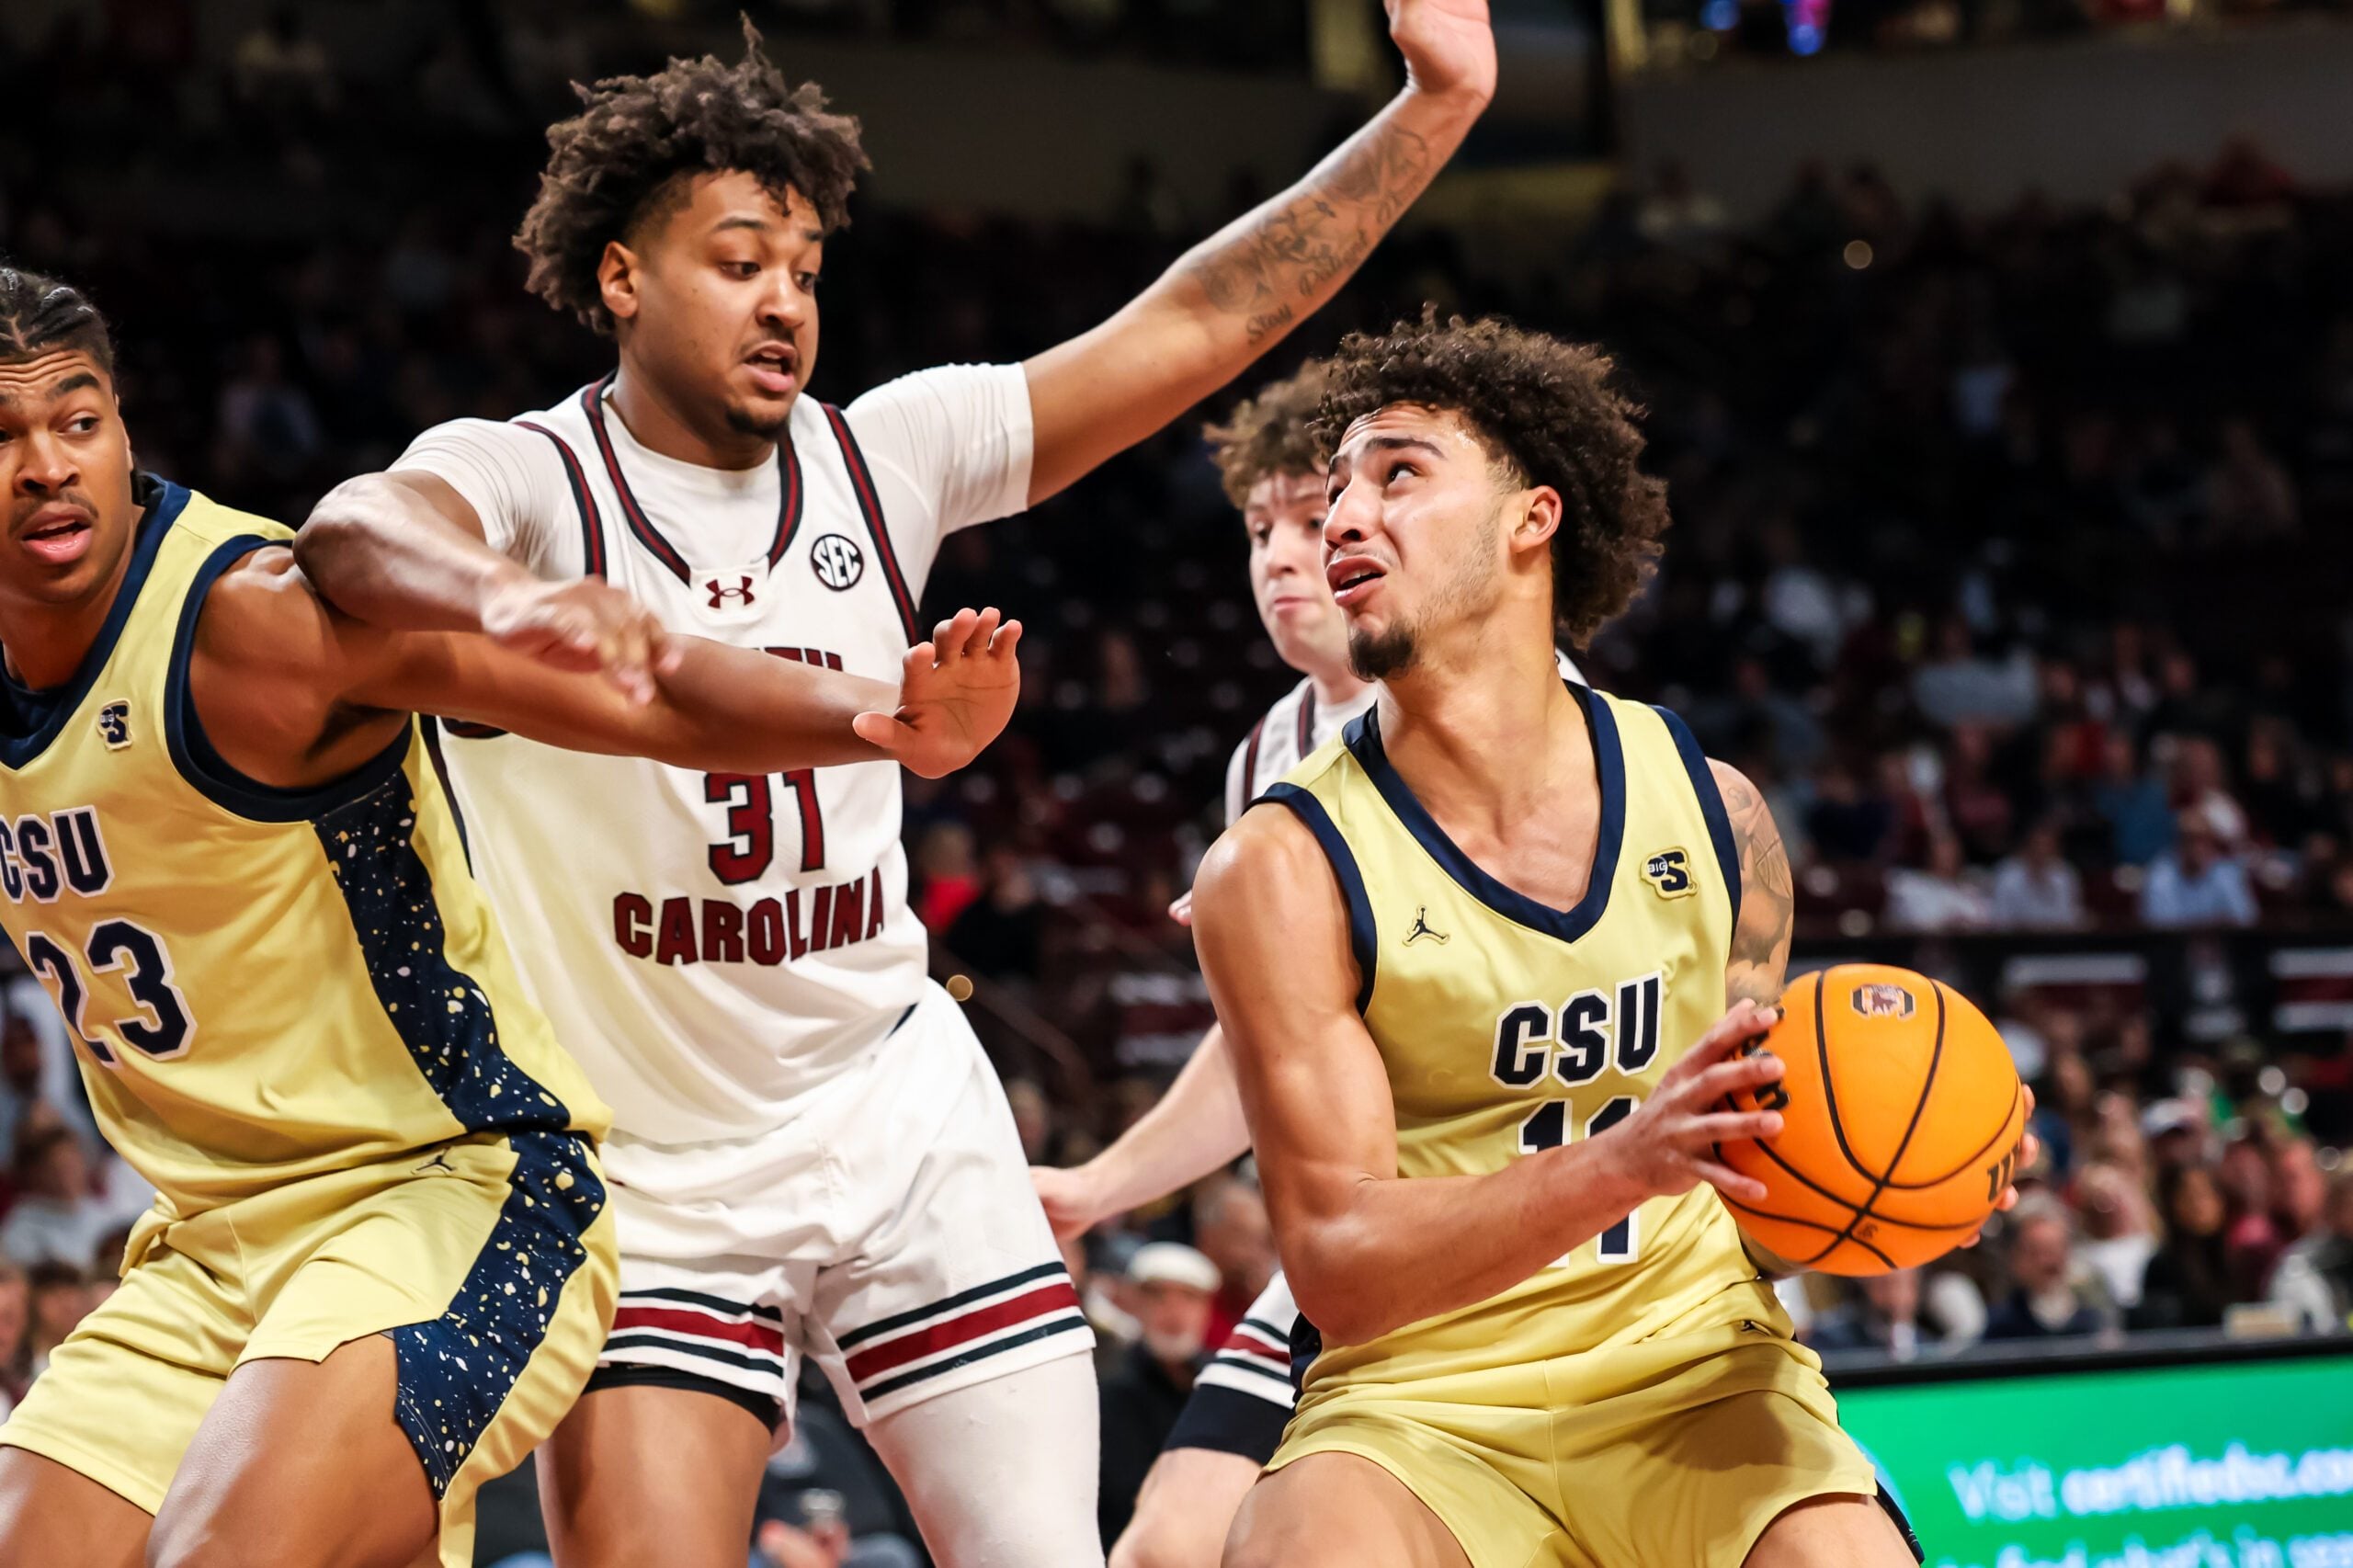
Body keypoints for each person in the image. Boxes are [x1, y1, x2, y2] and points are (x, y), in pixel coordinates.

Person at [296, 10, 1496, 1565]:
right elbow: (346, 533)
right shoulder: (528, 478)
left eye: (803, 267)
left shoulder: (891, 452)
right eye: (739, 262)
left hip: (890, 1107)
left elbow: (1201, 319)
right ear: (621, 277)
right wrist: (504, 595)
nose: (784, 299)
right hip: (644, 1163)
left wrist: (1435, 105)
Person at [0, 267, 1020, 1568]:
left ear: (123, 430)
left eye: (77, 423)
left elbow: (631, 694)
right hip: (210, 1242)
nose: (46, 467)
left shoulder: (247, 624)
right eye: (4, 436)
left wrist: (875, 721)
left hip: (455, 1190)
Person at [1191, 314, 2029, 1567]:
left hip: (1695, 1367)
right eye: (1336, 490)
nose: (1340, 518)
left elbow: (1766, 1177)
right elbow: (1341, 1266)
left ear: (1533, 519)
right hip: (1425, 1402)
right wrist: (1627, 1160)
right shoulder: (1278, 865)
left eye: (1398, 473)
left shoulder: (1720, 813)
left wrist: (1918, 1188)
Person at [1030, 363, 1580, 1568]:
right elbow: (1265, 1052)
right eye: (1258, 527)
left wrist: (1339, 900)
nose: (1289, 551)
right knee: (1169, 1546)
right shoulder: (1269, 758)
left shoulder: (1528, 714)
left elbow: (1579, 981)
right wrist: (1099, 1185)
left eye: (1308, 513)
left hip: (1543, 1221)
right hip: (1366, 1238)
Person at [1097, 1244, 1220, 1545]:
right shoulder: (1111, 1387)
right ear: (1134, 1304)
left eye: (1188, 1297)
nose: (1173, 1311)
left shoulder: (1222, 1385)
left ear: (1206, 1308)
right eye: (1158, 1296)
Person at [1981, 1199, 2107, 1340]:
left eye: (2055, 1249)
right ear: (2015, 1255)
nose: (2048, 1261)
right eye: (2037, 1252)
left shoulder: (2093, 1311)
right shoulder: (2001, 1325)